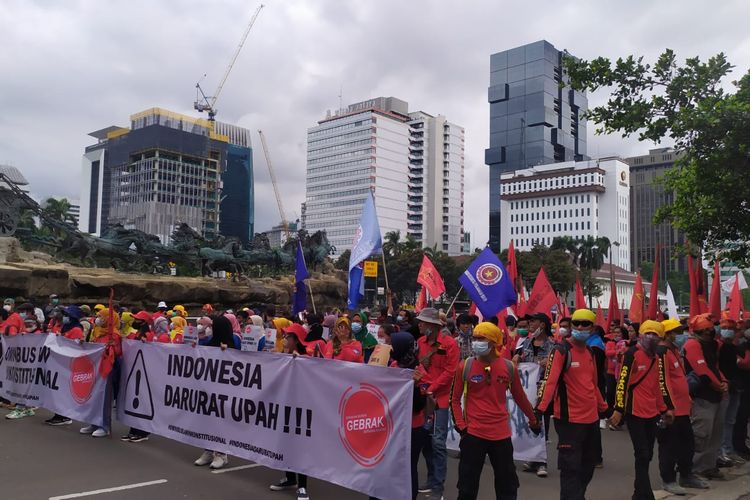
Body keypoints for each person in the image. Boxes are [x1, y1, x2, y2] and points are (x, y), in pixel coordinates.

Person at [451, 322, 540, 500]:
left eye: (480, 339)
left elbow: (520, 397)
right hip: (473, 435)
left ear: (493, 342)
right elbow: (453, 399)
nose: (476, 342)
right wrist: (462, 426)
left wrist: (533, 419)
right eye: (475, 338)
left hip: (501, 436)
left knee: (507, 486)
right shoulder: (465, 366)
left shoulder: (508, 367)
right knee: (467, 487)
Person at [536, 308, 609, 500]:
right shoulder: (560, 351)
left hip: (591, 419)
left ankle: (578, 496)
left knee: (588, 465)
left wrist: (604, 408)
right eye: (576, 323)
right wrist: (539, 411)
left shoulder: (591, 353)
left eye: (585, 324)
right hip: (569, 421)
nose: (580, 327)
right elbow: (549, 382)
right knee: (570, 469)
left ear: (592, 328)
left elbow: (592, 384)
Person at [608, 320, 672, 500]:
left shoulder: (656, 358)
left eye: (655, 334)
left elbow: (657, 387)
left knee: (648, 454)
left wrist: (664, 408)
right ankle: (646, 494)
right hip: (634, 411)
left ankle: (639, 493)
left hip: (652, 413)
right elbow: (623, 382)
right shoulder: (632, 354)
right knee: (642, 452)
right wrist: (619, 409)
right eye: (648, 333)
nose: (651, 337)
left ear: (660, 338)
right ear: (641, 335)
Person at [656, 318, 709, 493]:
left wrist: (687, 397)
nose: (681, 335)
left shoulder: (675, 350)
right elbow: (662, 380)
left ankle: (686, 475)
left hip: (683, 407)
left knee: (687, 444)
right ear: (668, 334)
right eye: (677, 332)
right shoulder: (662, 351)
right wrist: (668, 406)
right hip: (671, 409)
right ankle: (668, 480)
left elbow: (680, 377)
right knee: (669, 446)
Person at [416, 307, 459, 500]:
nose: (420, 325)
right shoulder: (420, 342)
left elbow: (450, 372)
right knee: (425, 440)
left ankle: (438, 487)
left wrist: (431, 387)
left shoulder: (450, 344)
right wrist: (425, 386)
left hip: (440, 399)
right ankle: (432, 478)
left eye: (423, 322)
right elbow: (418, 366)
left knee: (438, 442)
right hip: (423, 398)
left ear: (433, 326)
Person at [683, 313, 729, 480]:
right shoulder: (693, 344)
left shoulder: (712, 344)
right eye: (710, 328)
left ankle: (708, 466)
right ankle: (692, 469)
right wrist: (720, 385)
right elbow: (702, 371)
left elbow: (714, 367)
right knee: (701, 434)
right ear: (703, 330)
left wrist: (723, 382)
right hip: (702, 396)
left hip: (715, 394)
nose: (713, 331)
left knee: (715, 434)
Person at [269, 323, 311, 500]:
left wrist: (300, 360)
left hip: (301, 408)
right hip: (284, 404)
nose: (285, 339)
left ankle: (302, 486)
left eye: (288, 337)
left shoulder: (307, 358)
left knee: (299, 446)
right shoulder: (283, 355)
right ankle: (289, 477)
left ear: (297, 340)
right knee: (285, 442)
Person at [513, 312, 555, 478]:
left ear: (542, 325)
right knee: (528, 421)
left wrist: (548, 363)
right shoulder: (526, 343)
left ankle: (541, 461)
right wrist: (516, 357)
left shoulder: (553, 345)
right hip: (527, 389)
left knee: (541, 423)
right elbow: (517, 359)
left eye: (533, 321)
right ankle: (531, 457)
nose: (530, 324)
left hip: (543, 389)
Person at [194, 315, 237, 470]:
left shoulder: (233, 344)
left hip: (224, 392)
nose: (209, 328)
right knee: (207, 420)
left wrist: (227, 352)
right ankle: (208, 450)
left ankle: (221, 454)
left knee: (220, 422)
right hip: (209, 389)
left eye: (213, 326)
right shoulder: (210, 343)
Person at [717, 318, 747, 466]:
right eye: (726, 328)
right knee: (723, 420)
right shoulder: (718, 346)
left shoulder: (735, 347)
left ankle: (728, 450)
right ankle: (721, 452)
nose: (729, 331)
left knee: (730, 420)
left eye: (732, 328)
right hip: (724, 387)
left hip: (736, 386)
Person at [734, 319, 750, 459]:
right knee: (740, 417)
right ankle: (738, 446)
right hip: (742, 387)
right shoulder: (741, 347)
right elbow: (745, 364)